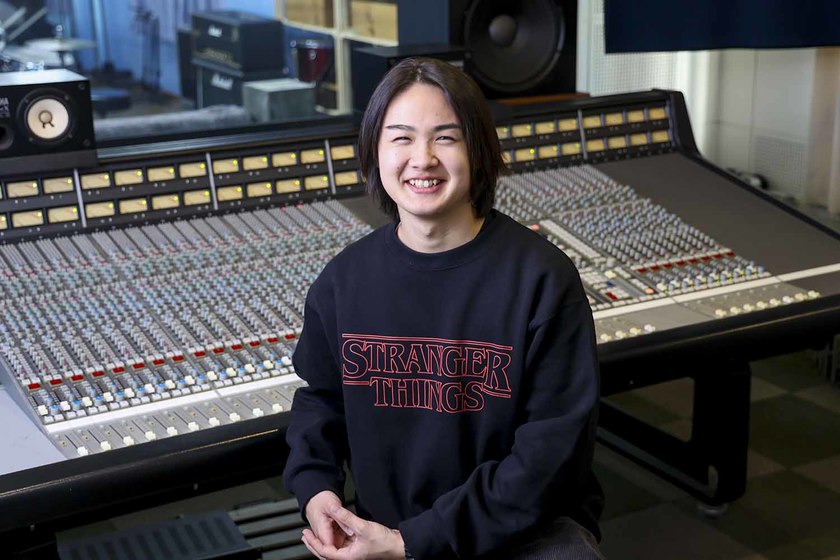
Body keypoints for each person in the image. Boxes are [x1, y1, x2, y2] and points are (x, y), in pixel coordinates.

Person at [284, 57, 604, 560]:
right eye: (401, 138)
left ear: (478, 151)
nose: (423, 158)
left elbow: (550, 454)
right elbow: (321, 400)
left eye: (446, 138)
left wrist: (413, 542)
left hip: (521, 534)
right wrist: (316, 488)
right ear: (375, 152)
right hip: (382, 532)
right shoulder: (343, 281)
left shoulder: (542, 279)